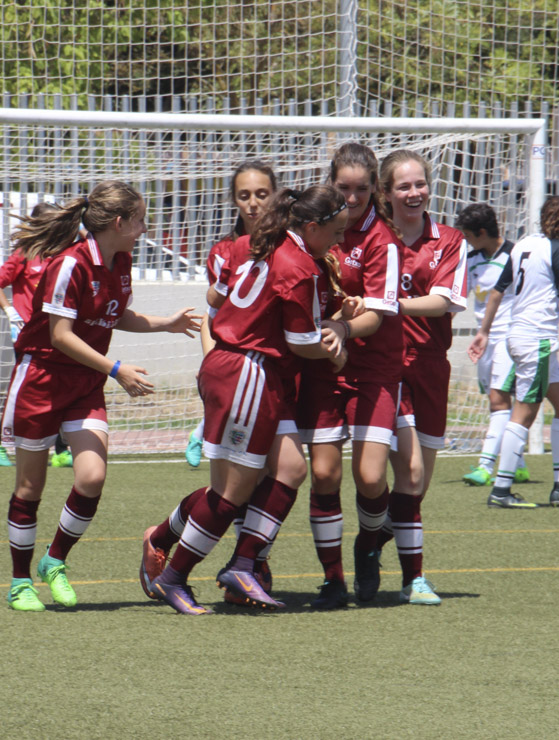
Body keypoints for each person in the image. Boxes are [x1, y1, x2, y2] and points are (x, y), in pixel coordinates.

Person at [146, 185, 349, 615]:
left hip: (252, 371)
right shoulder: (300, 265)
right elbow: (299, 340)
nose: (339, 241)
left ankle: (242, 564)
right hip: (248, 372)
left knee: (291, 467)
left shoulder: (262, 245)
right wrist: (336, 349)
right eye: (335, 231)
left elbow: (220, 298)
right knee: (231, 491)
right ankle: (173, 575)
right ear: (311, 227)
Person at [1, 182, 200, 611]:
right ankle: (20, 582)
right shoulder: (70, 265)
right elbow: (59, 335)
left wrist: (165, 323)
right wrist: (116, 369)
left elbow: (116, 313)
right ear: (119, 222)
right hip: (41, 380)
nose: (145, 228)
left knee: (90, 477)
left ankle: (54, 562)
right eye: (141, 220)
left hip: (84, 384)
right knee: (30, 487)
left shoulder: (121, 260)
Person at [296, 142, 403, 610]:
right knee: (322, 474)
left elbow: (377, 316)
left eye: (362, 189)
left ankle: (370, 542)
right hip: (323, 370)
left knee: (370, 476)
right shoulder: (314, 229)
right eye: (344, 188)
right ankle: (333, 579)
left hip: (374, 370)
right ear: (331, 184)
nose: (353, 198)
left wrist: (340, 326)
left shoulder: (384, 241)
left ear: (375, 188)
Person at [376, 149, 469, 606]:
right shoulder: (374, 237)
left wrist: (390, 304)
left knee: (418, 485)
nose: (414, 193)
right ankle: (414, 579)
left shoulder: (449, 239)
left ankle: (372, 540)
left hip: (432, 366)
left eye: (420, 184)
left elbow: (444, 301)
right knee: (408, 471)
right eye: (403, 186)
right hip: (386, 366)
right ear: (386, 193)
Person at [468, 195, 559, 509]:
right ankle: (500, 490)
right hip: (536, 341)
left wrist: (484, 331)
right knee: (524, 414)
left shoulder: (522, 246)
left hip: (520, 337)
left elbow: (498, 292)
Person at [185, 161, 278, 468]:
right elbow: (213, 317)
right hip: (238, 369)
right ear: (234, 200)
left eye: (262, 194)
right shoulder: (223, 252)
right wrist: (209, 366)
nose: (253, 203)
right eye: (244, 195)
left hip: (280, 369)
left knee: (283, 467)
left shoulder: (291, 246)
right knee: (237, 469)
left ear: (275, 195)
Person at [0, 202, 72, 469]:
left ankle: (59, 450)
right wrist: (11, 311)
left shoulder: (62, 253)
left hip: (55, 333)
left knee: (59, 388)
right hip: (27, 335)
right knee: (24, 391)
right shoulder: (25, 253)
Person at [455, 203, 529, 486]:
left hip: (509, 338)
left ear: (482, 232)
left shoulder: (515, 255)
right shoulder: (472, 259)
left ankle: (486, 467)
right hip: (484, 338)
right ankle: (518, 464)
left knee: (499, 400)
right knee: (497, 402)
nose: (465, 240)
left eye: (468, 235)